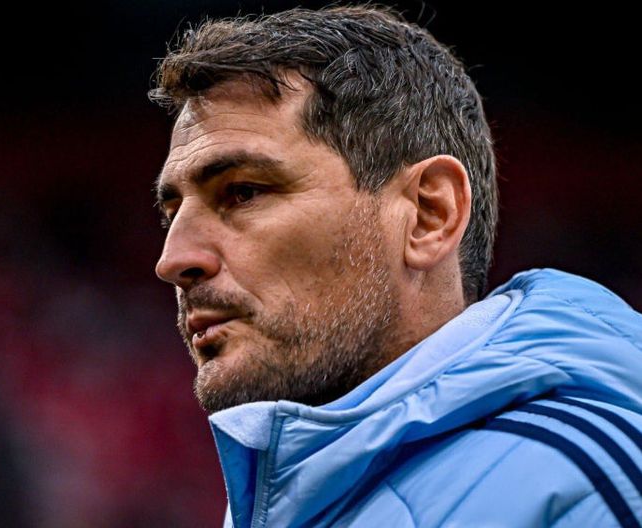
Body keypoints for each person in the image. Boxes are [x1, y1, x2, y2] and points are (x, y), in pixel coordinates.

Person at [150, 5, 642, 527]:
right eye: (172, 213)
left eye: (243, 192)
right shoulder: (289, 490)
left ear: (429, 215)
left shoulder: (590, 489)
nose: (173, 261)